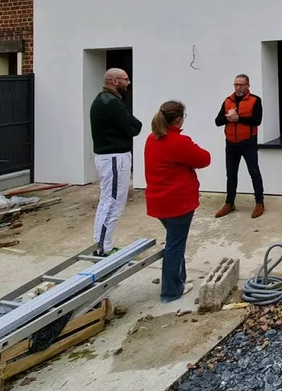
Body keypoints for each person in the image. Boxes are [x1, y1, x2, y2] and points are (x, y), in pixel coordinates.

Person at [144, 100, 211, 303]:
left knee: (175, 241)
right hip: (177, 204)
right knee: (175, 245)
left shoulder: (151, 138)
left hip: (159, 203)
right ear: (179, 119)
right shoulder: (178, 142)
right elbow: (204, 159)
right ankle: (171, 291)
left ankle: (179, 280)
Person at [89, 68, 142, 256]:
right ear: (113, 81)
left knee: (112, 200)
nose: (128, 83)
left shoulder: (107, 100)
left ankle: (105, 244)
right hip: (113, 157)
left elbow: (131, 124)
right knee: (111, 201)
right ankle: (102, 249)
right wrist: (131, 123)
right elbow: (134, 127)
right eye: (125, 79)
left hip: (113, 156)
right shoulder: (111, 103)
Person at [213, 74, 265, 218]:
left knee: (254, 172)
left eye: (241, 84)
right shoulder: (227, 101)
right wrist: (227, 117)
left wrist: (239, 118)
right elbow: (217, 121)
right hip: (231, 143)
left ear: (248, 85)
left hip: (248, 142)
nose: (238, 87)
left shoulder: (255, 100)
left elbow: (257, 120)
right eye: (236, 84)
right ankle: (229, 203)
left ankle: (259, 202)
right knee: (231, 174)